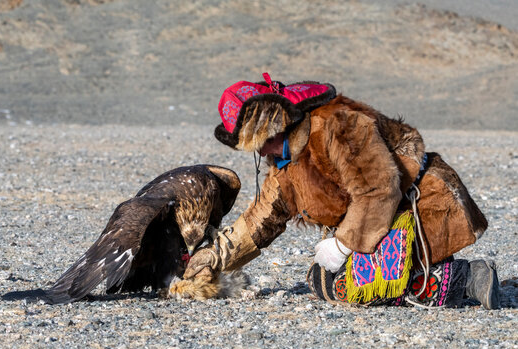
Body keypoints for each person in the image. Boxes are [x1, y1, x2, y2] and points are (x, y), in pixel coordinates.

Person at [181, 73, 500, 309]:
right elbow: (261, 219)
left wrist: (344, 245)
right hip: (382, 223)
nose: (261, 153)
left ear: (276, 124)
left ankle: (468, 278)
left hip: (424, 206)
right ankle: (424, 272)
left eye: (260, 142)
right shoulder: (285, 160)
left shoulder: (339, 126)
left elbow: (379, 189)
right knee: (323, 281)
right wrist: (214, 257)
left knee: (362, 284)